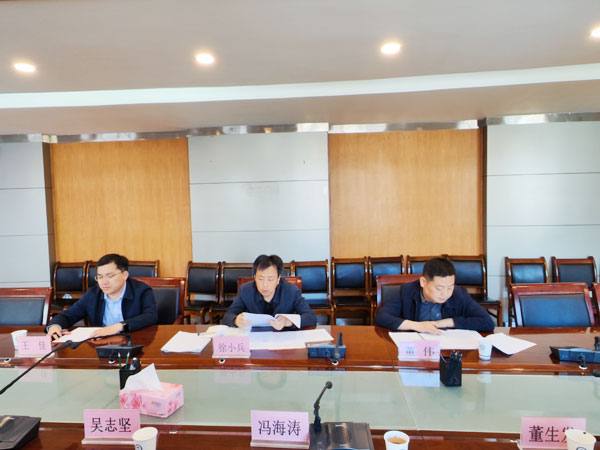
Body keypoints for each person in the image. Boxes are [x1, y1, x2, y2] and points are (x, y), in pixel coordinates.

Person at [46, 253, 158, 340]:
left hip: (135, 342)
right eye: (100, 277)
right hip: (102, 345)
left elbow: (150, 316)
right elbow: (69, 315)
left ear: (125, 275)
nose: (104, 282)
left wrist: (118, 327)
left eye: (110, 276)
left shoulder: (142, 290)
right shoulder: (93, 294)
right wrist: (55, 326)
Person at [375, 257, 495, 333]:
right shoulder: (407, 291)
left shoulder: (458, 294)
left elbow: (488, 323)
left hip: (447, 350)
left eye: (450, 287)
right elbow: (382, 317)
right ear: (423, 282)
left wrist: (446, 322)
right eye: (439, 288)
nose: (445, 294)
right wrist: (417, 326)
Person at [222, 254, 317, 330]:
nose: (265, 285)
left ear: (278, 279)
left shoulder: (291, 290)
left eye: (270, 279)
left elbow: (311, 317)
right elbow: (228, 316)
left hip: (283, 339)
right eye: (260, 279)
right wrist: (236, 320)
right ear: (254, 277)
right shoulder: (246, 290)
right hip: (256, 339)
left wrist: (288, 322)